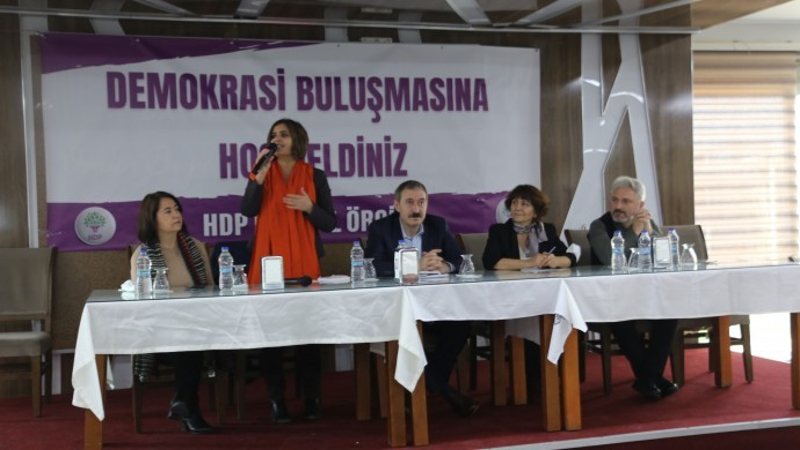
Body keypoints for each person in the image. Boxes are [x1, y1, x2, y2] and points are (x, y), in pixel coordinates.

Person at [241, 118, 337, 423]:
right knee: (272, 335)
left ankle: (312, 399)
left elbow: (330, 222)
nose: (276, 139)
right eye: (273, 135)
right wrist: (257, 179)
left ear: (297, 139)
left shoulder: (314, 175)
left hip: (304, 262)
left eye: (283, 134)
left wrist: (310, 208)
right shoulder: (261, 171)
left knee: (308, 334)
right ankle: (277, 400)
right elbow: (247, 210)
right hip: (268, 261)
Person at [364, 180, 478, 417]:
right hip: (395, 312)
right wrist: (413, 265)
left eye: (421, 202)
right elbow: (372, 268)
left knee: (461, 327)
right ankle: (445, 391)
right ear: (397, 205)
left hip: (432, 309)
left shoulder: (438, 225)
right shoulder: (380, 229)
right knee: (409, 335)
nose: (416, 209)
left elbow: (459, 260)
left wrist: (445, 266)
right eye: (409, 202)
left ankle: (424, 387)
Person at [482, 184, 576, 403]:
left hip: (541, 296)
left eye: (524, 204)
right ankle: (534, 381)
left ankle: (552, 378)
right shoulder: (500, 231)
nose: (517, 207)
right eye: (514, 203)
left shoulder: (546, 230)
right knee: (533, 317)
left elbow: (570, 258)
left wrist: (555, 261)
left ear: (536, 211)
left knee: (558, 315)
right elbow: (492, 262)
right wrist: (529, 262)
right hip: (509, 298)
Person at [587, 175, 679, 400]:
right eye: (615, 200)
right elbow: (610, 259)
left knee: (670, 313)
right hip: (608, 296)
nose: (618, 206)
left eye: (626, 201)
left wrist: (650, 231)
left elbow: (664, 258)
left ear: (640, 205)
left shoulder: (647, 222)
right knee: (621, 318)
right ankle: (652, 378)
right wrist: (634, 232)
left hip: (644, 294)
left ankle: (648, 379)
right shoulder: (599, 226)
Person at [130, 191, 214, 434]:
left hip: (198, 325)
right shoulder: (143, 255)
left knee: (192, 341)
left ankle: (183, 403)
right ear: (152, 218)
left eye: (177, 209)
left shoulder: (195, 247)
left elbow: (211, 290)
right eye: (167, 211)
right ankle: (188, 407)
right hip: (159, 331)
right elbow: (141, 303)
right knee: (189, 345)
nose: (176, 214)